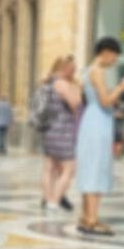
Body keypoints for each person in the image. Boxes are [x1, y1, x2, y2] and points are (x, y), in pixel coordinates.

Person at [75, 37, 124, 236]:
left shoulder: (87, 71)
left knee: (90, 167)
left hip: (93, 120)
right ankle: (91, 219)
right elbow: (106, 101)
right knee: (95, 168)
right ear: (106, 52)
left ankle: (87, 217)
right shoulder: (97, 72)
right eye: (115, 56)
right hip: (97, 123)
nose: (115, 61)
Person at [39, 56, 81, 214]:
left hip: (49, 129)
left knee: (49, 168)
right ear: (64, 68)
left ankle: (47, 198)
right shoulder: (62, 84)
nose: (74, 71)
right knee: (69, 169)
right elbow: (75, 103)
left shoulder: (48, 82)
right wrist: (76, 89)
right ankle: (54, 202)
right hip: (62, 131)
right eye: (72, 68)